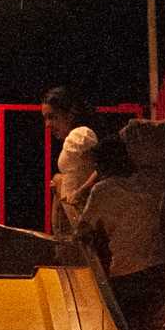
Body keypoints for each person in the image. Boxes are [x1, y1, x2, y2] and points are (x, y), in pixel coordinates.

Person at [78, 134, 165, 330]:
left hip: (127, 273)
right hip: (158, 271)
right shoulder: (148, 182)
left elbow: (83, 228)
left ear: (101, 166)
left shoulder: (102, 190)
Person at [41, 86, 98, 234]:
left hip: (84, 215)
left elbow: (103, 167)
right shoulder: (74, 137)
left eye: (52, 117)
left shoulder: (80, 134)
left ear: (70, 115)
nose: (47, 124)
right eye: (45, 118)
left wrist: (81, 191)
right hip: (76, 215)